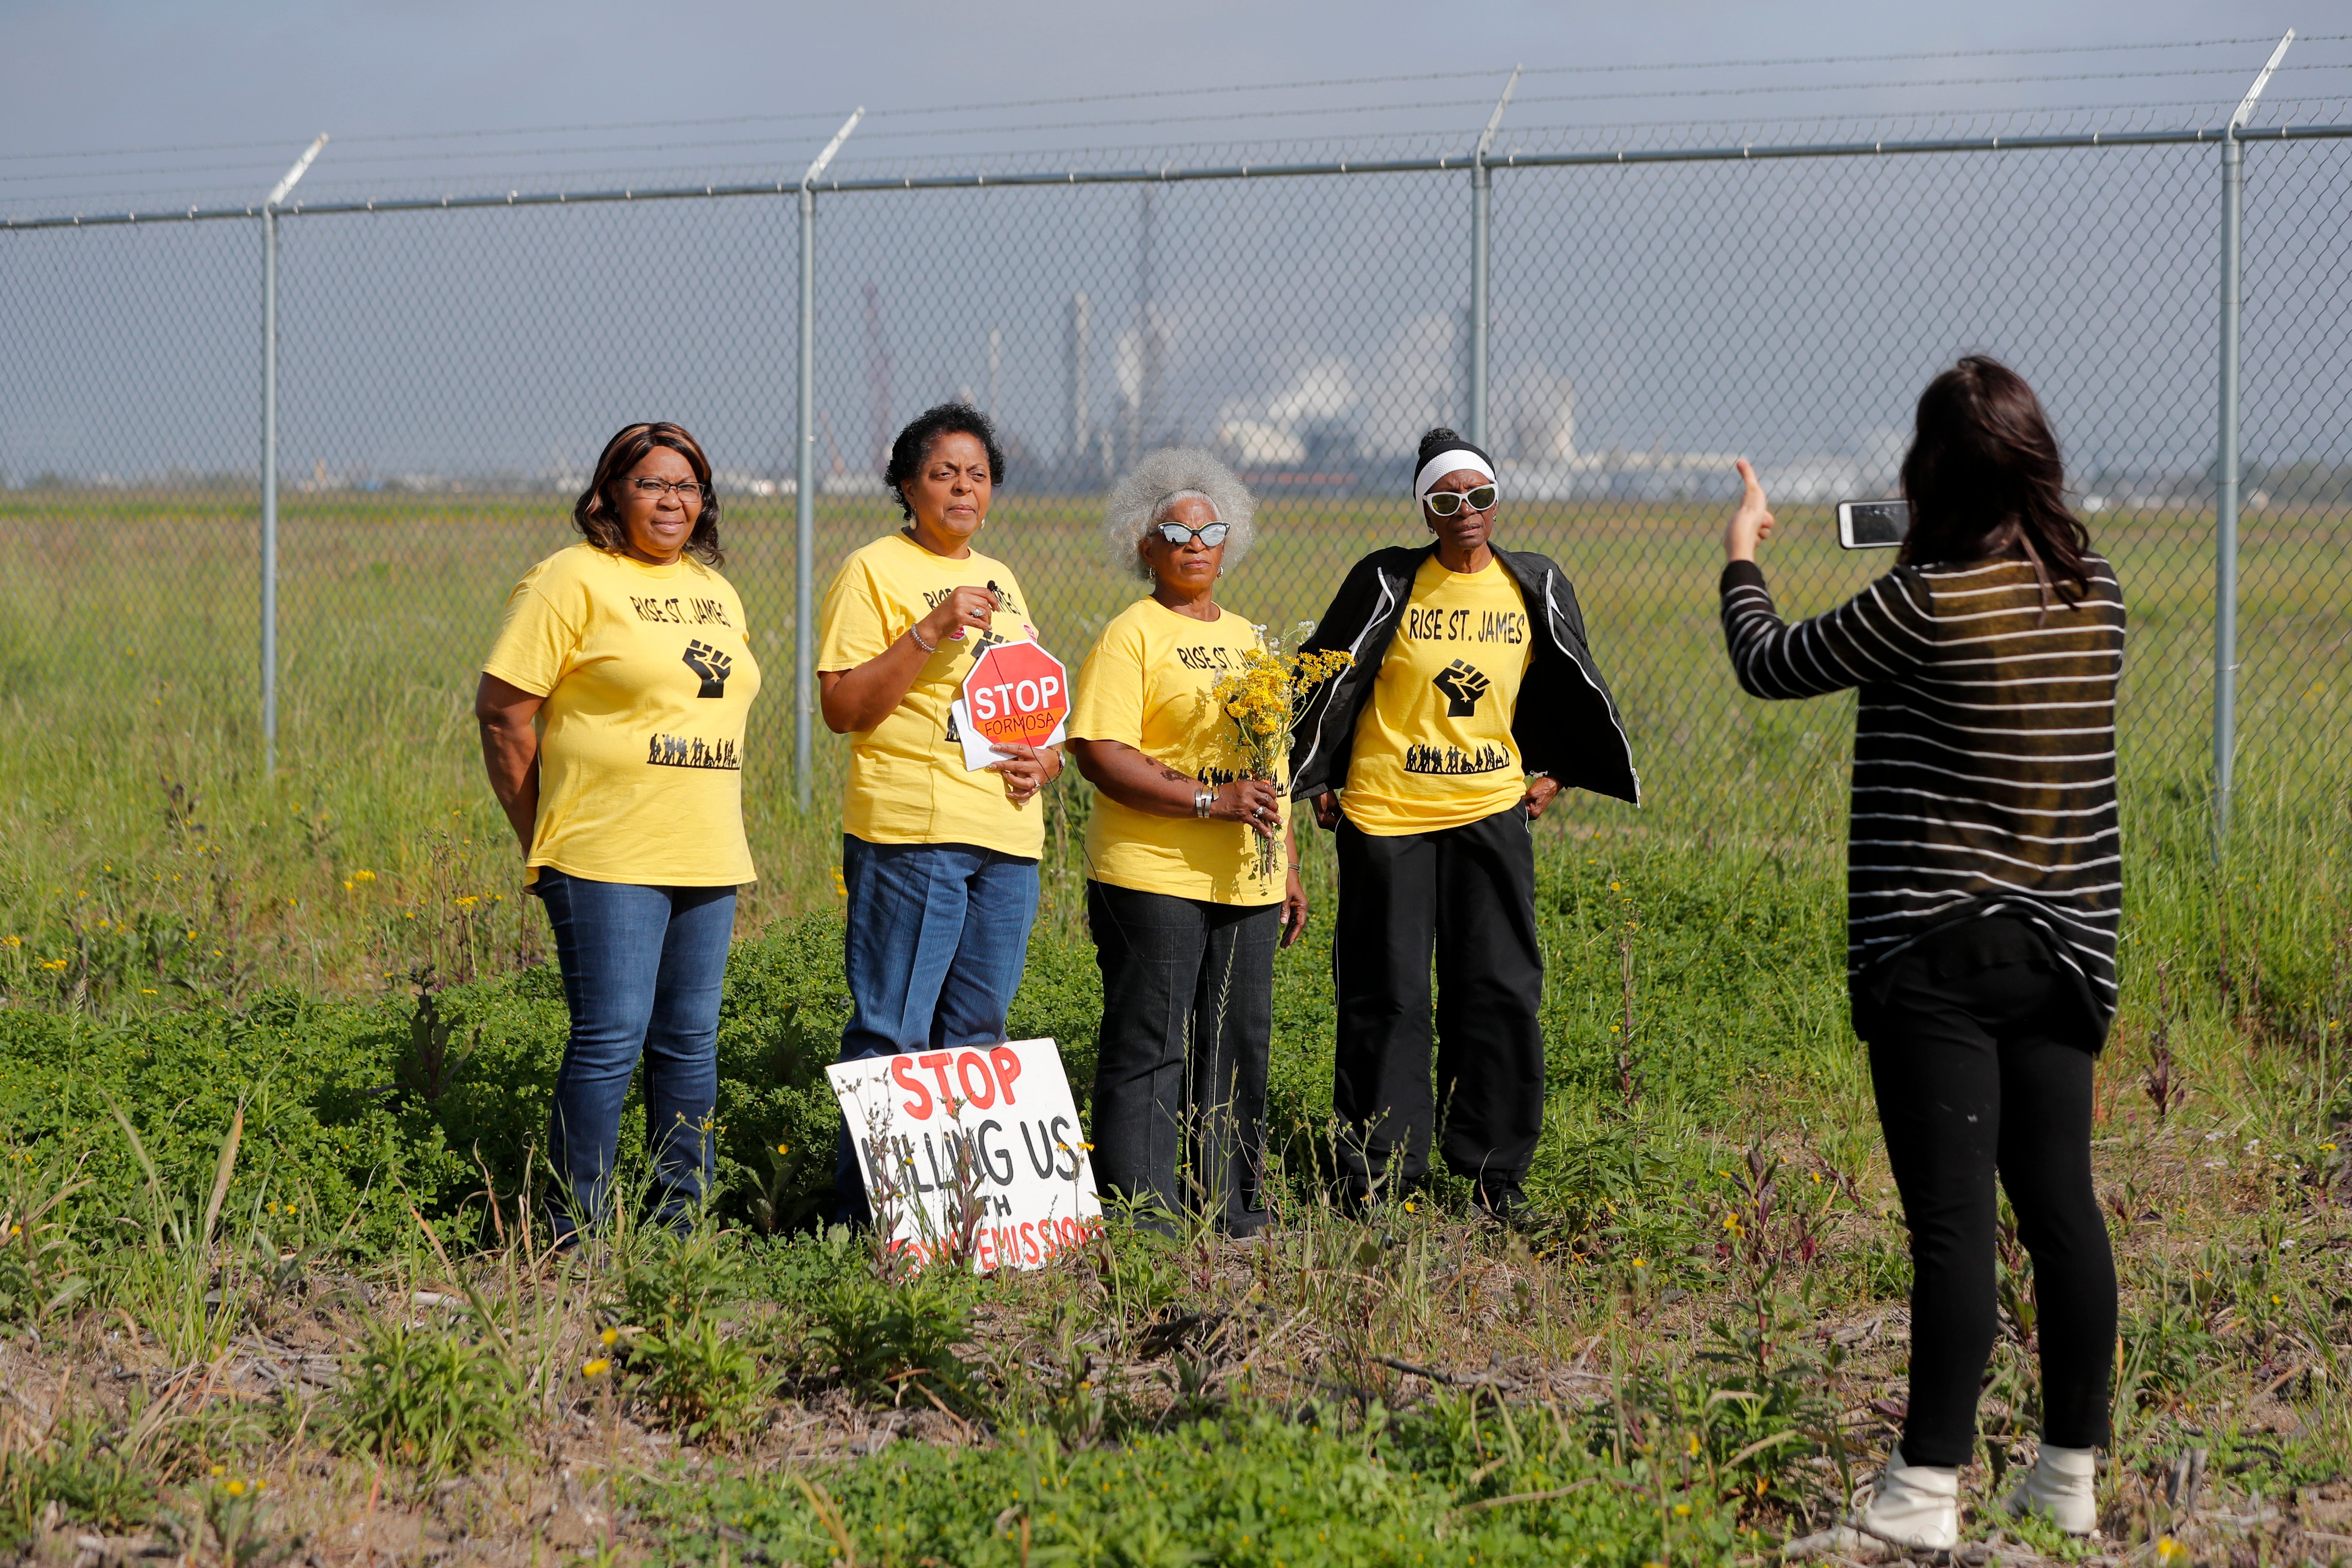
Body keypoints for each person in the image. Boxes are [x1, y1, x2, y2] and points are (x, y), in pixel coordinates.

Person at [1717, 357, 2125, 1550]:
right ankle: (2067, 1481)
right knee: (2063, 1213)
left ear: (1929, 473)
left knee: (1951, 1228)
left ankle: (1920, 1497)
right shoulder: (2090, 590)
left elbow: (1770, 661)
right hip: (2067, 948)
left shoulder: (1923, 602)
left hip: (1939, 949)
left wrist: (1745, 550)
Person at [1289, 427, 1638, 1222]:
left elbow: (1565, 677)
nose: (1466, 512)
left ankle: (1495, 1175)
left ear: (1495, 501)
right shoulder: (1386, 580)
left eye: (1479, 496)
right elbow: (1325, 670)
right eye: (1447, 500)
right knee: (1390, 994)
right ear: (1426, 510)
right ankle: (1381, 1176)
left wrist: (1557, 768)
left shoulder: (1533, 582)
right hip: (1387, 816)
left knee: (1500, 990)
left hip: (1490, 812)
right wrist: (1322, 774)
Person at [475, 421, 760, 1240]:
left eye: (688, 487)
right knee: (610, 1041)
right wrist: (545, 834)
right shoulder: (570, 580)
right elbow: (504, 715)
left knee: (691, 1046)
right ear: (609, 494)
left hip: (706, 852)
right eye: (652, 484)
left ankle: (680, 1232)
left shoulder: (717, 590)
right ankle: (576, 1236)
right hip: (605, 854)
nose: (672, 500)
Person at [817, 402, 1061, 1225]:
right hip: (915, 835)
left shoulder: (1005, 579)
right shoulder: (873, 569)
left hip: (1007, 838)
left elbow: (1028, 701)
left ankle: (962, 1227)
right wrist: (927, 629)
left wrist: (1046, 756)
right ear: (906, 484)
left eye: (979, 475)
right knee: (894, 1035)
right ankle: (862, 1227)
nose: (963, 487)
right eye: (943, 472)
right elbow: (845, 707)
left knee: (978, 1035)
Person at [1067, 450, 1307, 1237]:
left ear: (1229, 544)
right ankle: (1145, 1216)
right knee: (1152, 1040)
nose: (1194, 543)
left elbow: (1273, 764)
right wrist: (1210, 800)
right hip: (1153, 872)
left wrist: (1289, 867)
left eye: (1210, 531)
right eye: (1175, 530)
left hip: (1245, 878)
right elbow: (1100, 751)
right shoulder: (1131, 635)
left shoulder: (1249, 639)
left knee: (1238, 1040)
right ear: (1146, 546)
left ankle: (1232, 1208)